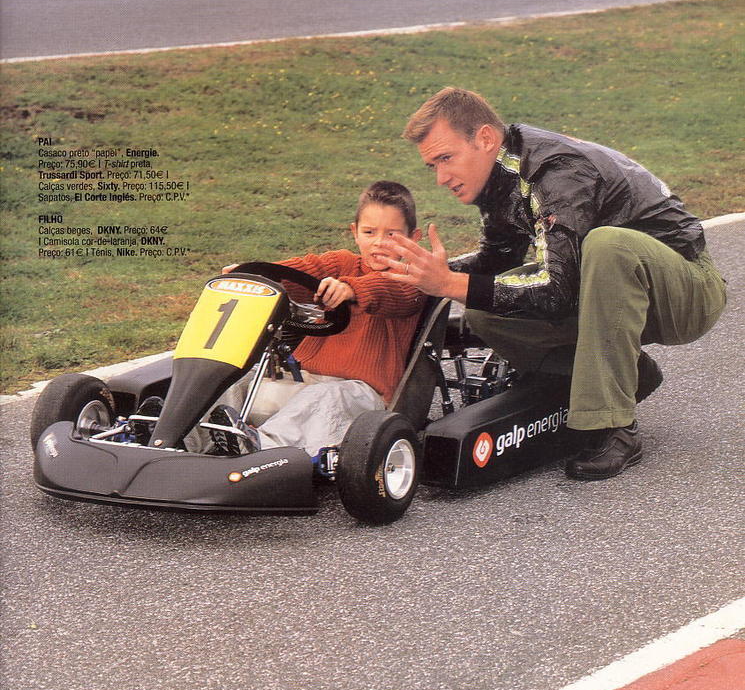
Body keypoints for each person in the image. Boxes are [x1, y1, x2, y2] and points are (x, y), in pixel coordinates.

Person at [379, 87, 726, 480]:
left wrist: (448, 282)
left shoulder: (557, 172)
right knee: (485, 310)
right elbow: (497, 262)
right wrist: (418, 274)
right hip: (610, 292)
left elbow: (556, 291)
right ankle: (626, 372)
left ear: (485, 139)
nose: (441, 178)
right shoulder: (500, 172)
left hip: (687, 291)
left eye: (446, 158)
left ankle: (614, 426)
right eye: (432, 166)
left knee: (607, 245)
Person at [189, 180, 425, 459]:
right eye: (369, 232)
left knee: (324, 398)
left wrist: (350, 289)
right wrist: (255, 273)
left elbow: (391, 291)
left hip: (363, 394)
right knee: (234, 381)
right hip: (303, 380)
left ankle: (262, 449)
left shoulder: (415, 279)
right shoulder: (341, 263)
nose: (379, 243)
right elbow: (302, 270)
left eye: (392, 235)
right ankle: (185, 438)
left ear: (413, 237)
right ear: (355, 233)